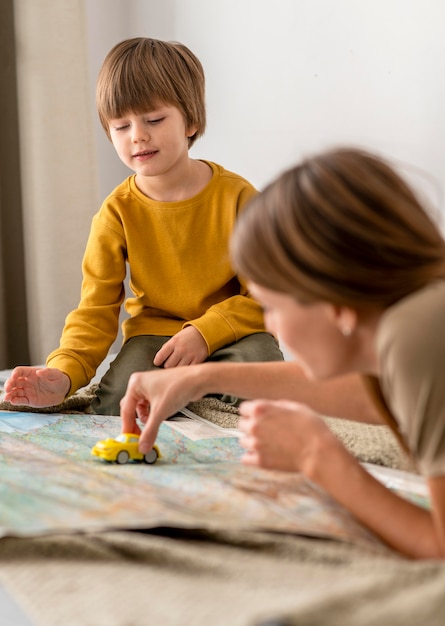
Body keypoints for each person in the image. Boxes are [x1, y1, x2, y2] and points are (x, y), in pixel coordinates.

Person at [119, 147, 445, 559]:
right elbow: (383, 395)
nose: (270, 325)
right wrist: (199, 378)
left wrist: (318, 457)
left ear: (331, 301)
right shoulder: (422, 316)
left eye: (272, 307)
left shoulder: (416, 334)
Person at [3, 37, 283, 416]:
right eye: (121, 126)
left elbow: (269, 294)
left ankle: (196, 386)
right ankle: (189, 387)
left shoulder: (239, 197)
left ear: (192, 120)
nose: (137, 135)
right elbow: (95, 310)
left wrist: (205, 332)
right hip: (156, 337)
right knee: (117, 402)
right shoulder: (116, 212)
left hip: (232, 332)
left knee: (267, 375)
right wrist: (64, 373)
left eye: (153, 120)